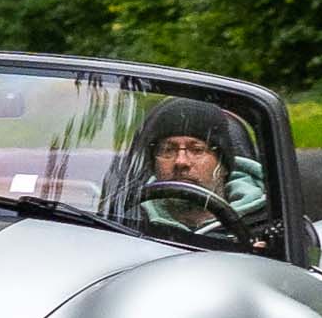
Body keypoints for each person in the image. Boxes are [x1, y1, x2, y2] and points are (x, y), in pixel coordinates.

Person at [107, 97, 266, 230]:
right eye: (168, 150)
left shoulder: (265, 222)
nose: (181, 161)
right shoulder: (127, 220)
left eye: (197, 150)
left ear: (223, 165)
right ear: (153, 164)